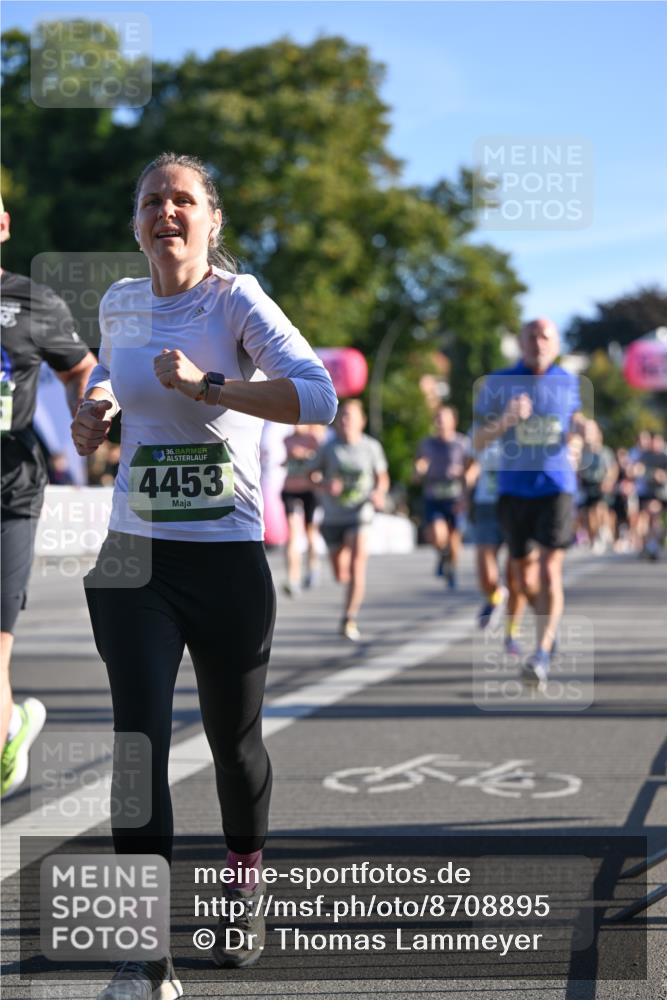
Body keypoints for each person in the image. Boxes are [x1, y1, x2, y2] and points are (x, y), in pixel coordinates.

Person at [70, 152, 337, 997]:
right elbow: (113, 378)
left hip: (224, 557)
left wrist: (213, 384)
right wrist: (95, 414)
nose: (166, 212)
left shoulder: (236, 299)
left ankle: (243, 878)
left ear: (211, 221)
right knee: (136, 746)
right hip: (133, 555)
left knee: (234, 746)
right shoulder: (120, 302)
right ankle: (145, 957)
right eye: (152, 200)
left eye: (182, 199)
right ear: (136, 224)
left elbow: (318, 395)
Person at [0, 195, 97, 797]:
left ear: (4, 226)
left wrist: (92, 417)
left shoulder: (31, 302)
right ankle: (13, 727)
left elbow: (79, 369)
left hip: (9, 490)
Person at [474, 317, 582, 687]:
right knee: (523, 578)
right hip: (513, 488)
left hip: (556, 487)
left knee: (551, 570)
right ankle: (547, 628)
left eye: (545, 336)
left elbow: (576, 425)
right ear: (521, 342)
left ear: (555, 344)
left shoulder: (569, 383)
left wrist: (584, 434)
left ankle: (541, 653)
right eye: (532, 336)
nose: (538, 342)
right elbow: (476, 441)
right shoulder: (498, 383)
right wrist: (505, 421)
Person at [310, 398, 388, 641]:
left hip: (360, 513)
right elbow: (310, 475)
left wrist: (379, 493)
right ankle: (348, 602)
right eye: (342, 416)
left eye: (350, 416)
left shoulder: (371, 447)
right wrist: (324, 484)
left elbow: (382, 477)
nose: (345, 421)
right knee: (340, 574)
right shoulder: (329, 447)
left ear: (361, 421)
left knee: (357, 566)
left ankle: (349, 617)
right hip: (333, 516)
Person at [414, 405, 472, 589]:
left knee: (454, 539)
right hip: (434, 494)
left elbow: (472, 467)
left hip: (456, 496)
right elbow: (418, 465)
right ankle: (442, 554)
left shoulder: (462, 443)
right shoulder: (427, 444)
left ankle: (451, 568)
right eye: (437, 418)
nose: (439, 422)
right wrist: (419, 469)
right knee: (438, 535)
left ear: (453, 421)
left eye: (443, 418)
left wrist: (465, 477)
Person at [280, 423, 325, 595]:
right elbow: (285, 460)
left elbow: (320, 460)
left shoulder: (314, 438)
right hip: (290, 490)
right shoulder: (287, 440)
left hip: (309, 491)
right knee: (292, 534)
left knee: (310, 531)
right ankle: (293, 578)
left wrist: (305, 455)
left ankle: (313, 567)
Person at [577, 420, 617, 553]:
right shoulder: (583, 452)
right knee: (588, 514)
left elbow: (612, 468)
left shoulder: (605, 452)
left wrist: (608, 481)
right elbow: (578, 468)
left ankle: (604, 530)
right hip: (588, 484)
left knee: (600, 508)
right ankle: (595, 537)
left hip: (601, 484)